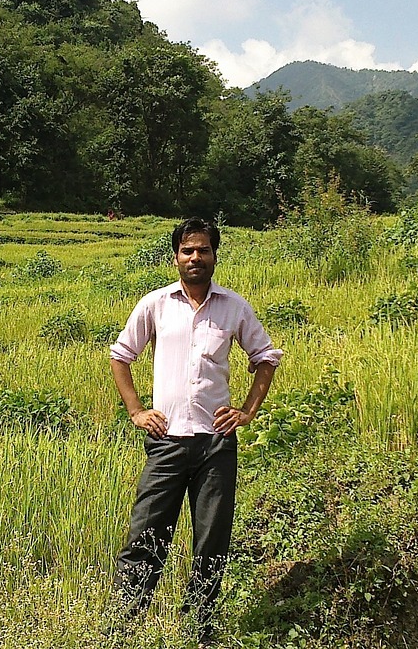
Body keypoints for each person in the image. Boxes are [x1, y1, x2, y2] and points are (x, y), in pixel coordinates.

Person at [110, 217, 283, 643]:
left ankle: (200, 631)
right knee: (146, 535)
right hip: (166, 444)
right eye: (188, 251)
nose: (195, 258)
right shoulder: (155, 305)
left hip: (216, 445)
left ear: (214, 256)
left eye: (203, 250)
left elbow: (266, 358)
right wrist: (136, 410)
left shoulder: (234, 307)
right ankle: (122, 629)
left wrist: (246, 411)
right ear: (175, 258)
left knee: (211, 542)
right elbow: (121, 356)